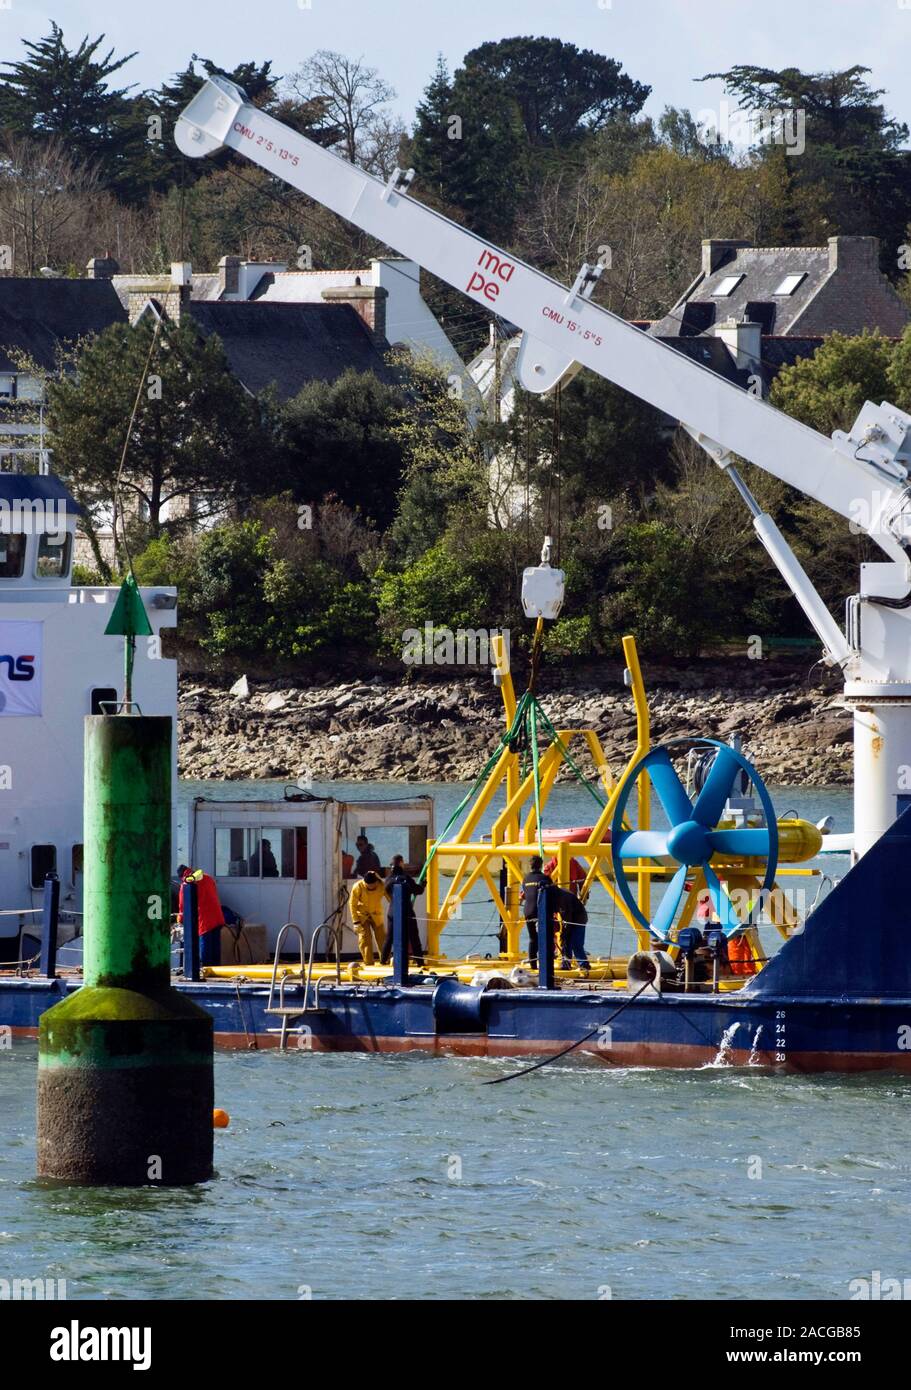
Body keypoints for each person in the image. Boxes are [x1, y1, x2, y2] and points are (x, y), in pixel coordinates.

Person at [176, 864, 226, 968]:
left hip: (204, 919)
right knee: (215, 945)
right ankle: (217, 969)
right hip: (217, 915)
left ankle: (205, 968)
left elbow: (183, 906)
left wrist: (180, 920)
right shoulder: (207, 877)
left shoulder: (186, 883)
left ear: (181, 876)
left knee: (205, 945)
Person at [380, 855, 425, 968]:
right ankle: (420, 962)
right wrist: (423, 884)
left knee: (389, 937)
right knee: (413, 936)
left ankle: (383, 960)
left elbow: (386, 890)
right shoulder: (406, 878)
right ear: (401, 863)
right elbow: (418, 891)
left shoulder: (388, 880)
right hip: (406, 911)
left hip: (393, 911)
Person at [348, 869, 388, 965]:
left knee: (382, 938)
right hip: (362, 916)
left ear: (376, 882)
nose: (370, 887)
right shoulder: (358, 886)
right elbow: (352, 904)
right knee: (365, 939)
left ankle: (385, 960)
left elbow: (390, 898)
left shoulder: (382, 886)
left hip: (376, 915)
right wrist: (356, 922)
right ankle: (368, 962)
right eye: (368, 885)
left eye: (372, 885)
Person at [519, 856, 550, 968]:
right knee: (545, 937)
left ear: (530, 865)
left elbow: (526, 893)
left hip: (527, 910)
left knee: (533, 938)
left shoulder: (525, 879)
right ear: (541, 865)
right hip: (540, 911)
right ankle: (545, 966)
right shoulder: (545, 878)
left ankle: (533, 965)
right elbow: (551, 893)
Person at [554, 884, 590, 973]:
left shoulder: (563, 898)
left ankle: (584, 965)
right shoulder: (556, 894)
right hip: (569, 917)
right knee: (566, 942)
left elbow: (567, 916)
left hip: (579, 919)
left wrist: (564, 933)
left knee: (575, 943)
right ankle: (566, 964)